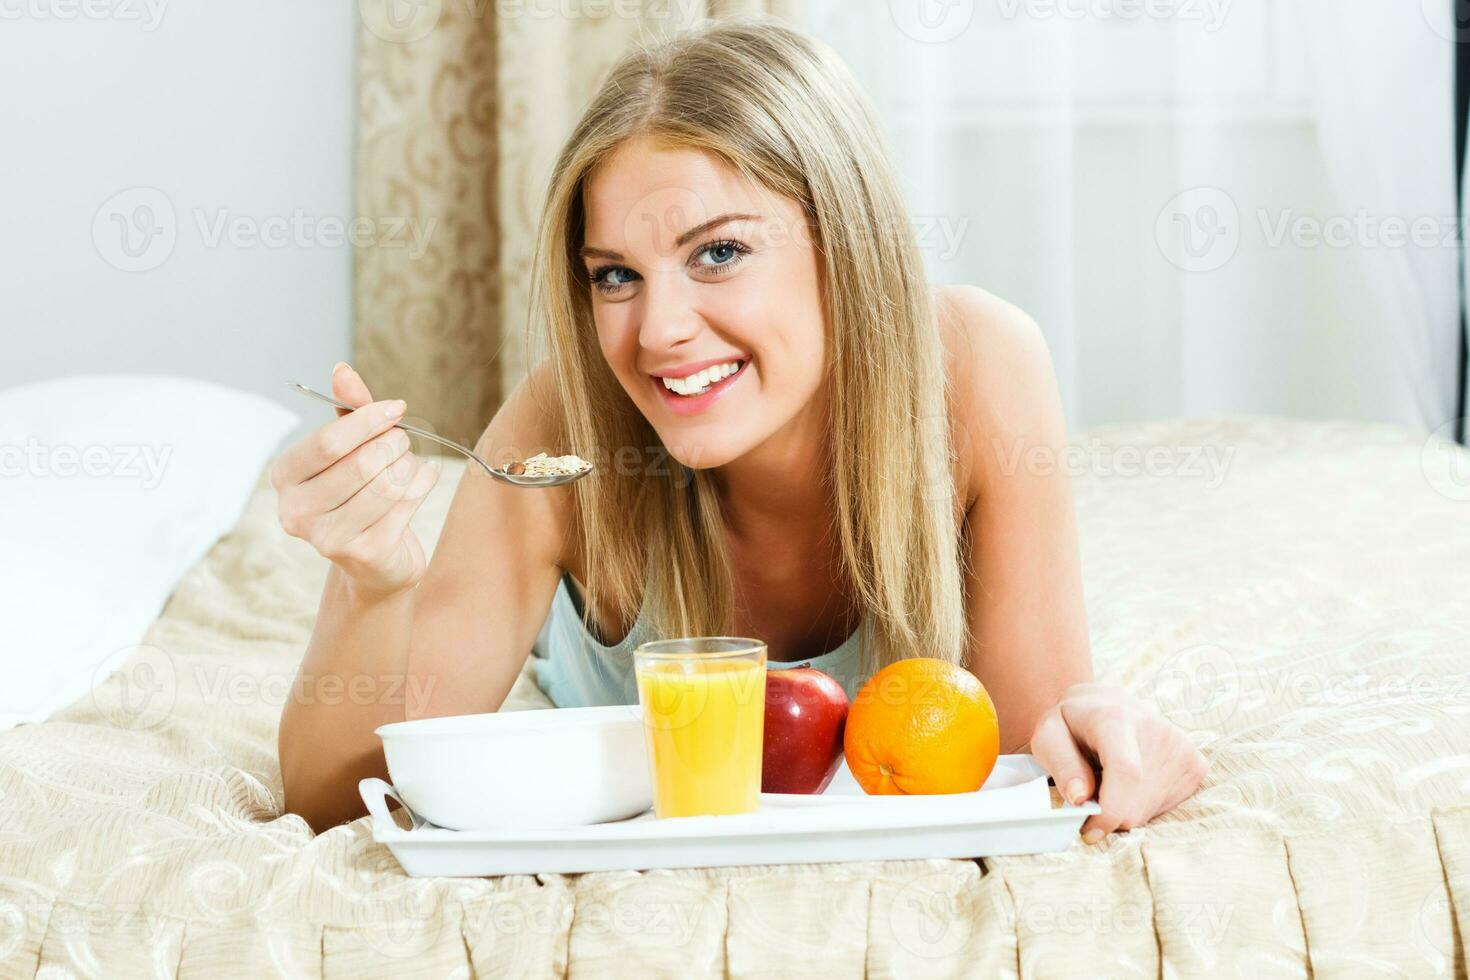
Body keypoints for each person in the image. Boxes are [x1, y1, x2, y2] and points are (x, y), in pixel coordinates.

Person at [274, 18, 1207, 838]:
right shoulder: (565, 426)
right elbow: (335, 803)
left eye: (718, 253)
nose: (658, 330)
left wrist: (1099, 731)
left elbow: (1022, 772)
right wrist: (374, 586)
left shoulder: (980, 367)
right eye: (615, 275)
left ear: (846, 242)